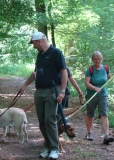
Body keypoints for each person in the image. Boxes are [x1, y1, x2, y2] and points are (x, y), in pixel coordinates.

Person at [19, 31, 67, 159]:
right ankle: (47, 146)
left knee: (50, 120)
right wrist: (24, 85)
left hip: (52, 90)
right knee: (41, 122)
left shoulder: (56, 53)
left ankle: (54, 149)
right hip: (39, 91)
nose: (33, 46)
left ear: (38, 41)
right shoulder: (39, 55)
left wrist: (62, 91)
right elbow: (36, 73)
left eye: (33, 43)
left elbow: (64, 71)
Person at [84, 51, 114, 144]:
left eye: (98, 58)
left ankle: (106, 135)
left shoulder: (106, 68)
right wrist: (95, 88)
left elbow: (107, 79)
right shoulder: (90, 69)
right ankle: (89, 133)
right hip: (91, 95)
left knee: (104, 114)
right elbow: (87, 83)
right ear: (92, 59)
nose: (97, 60)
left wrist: (113, 76)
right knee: (90, 114)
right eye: (95, 58)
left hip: (103, 94)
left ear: (101, 59)